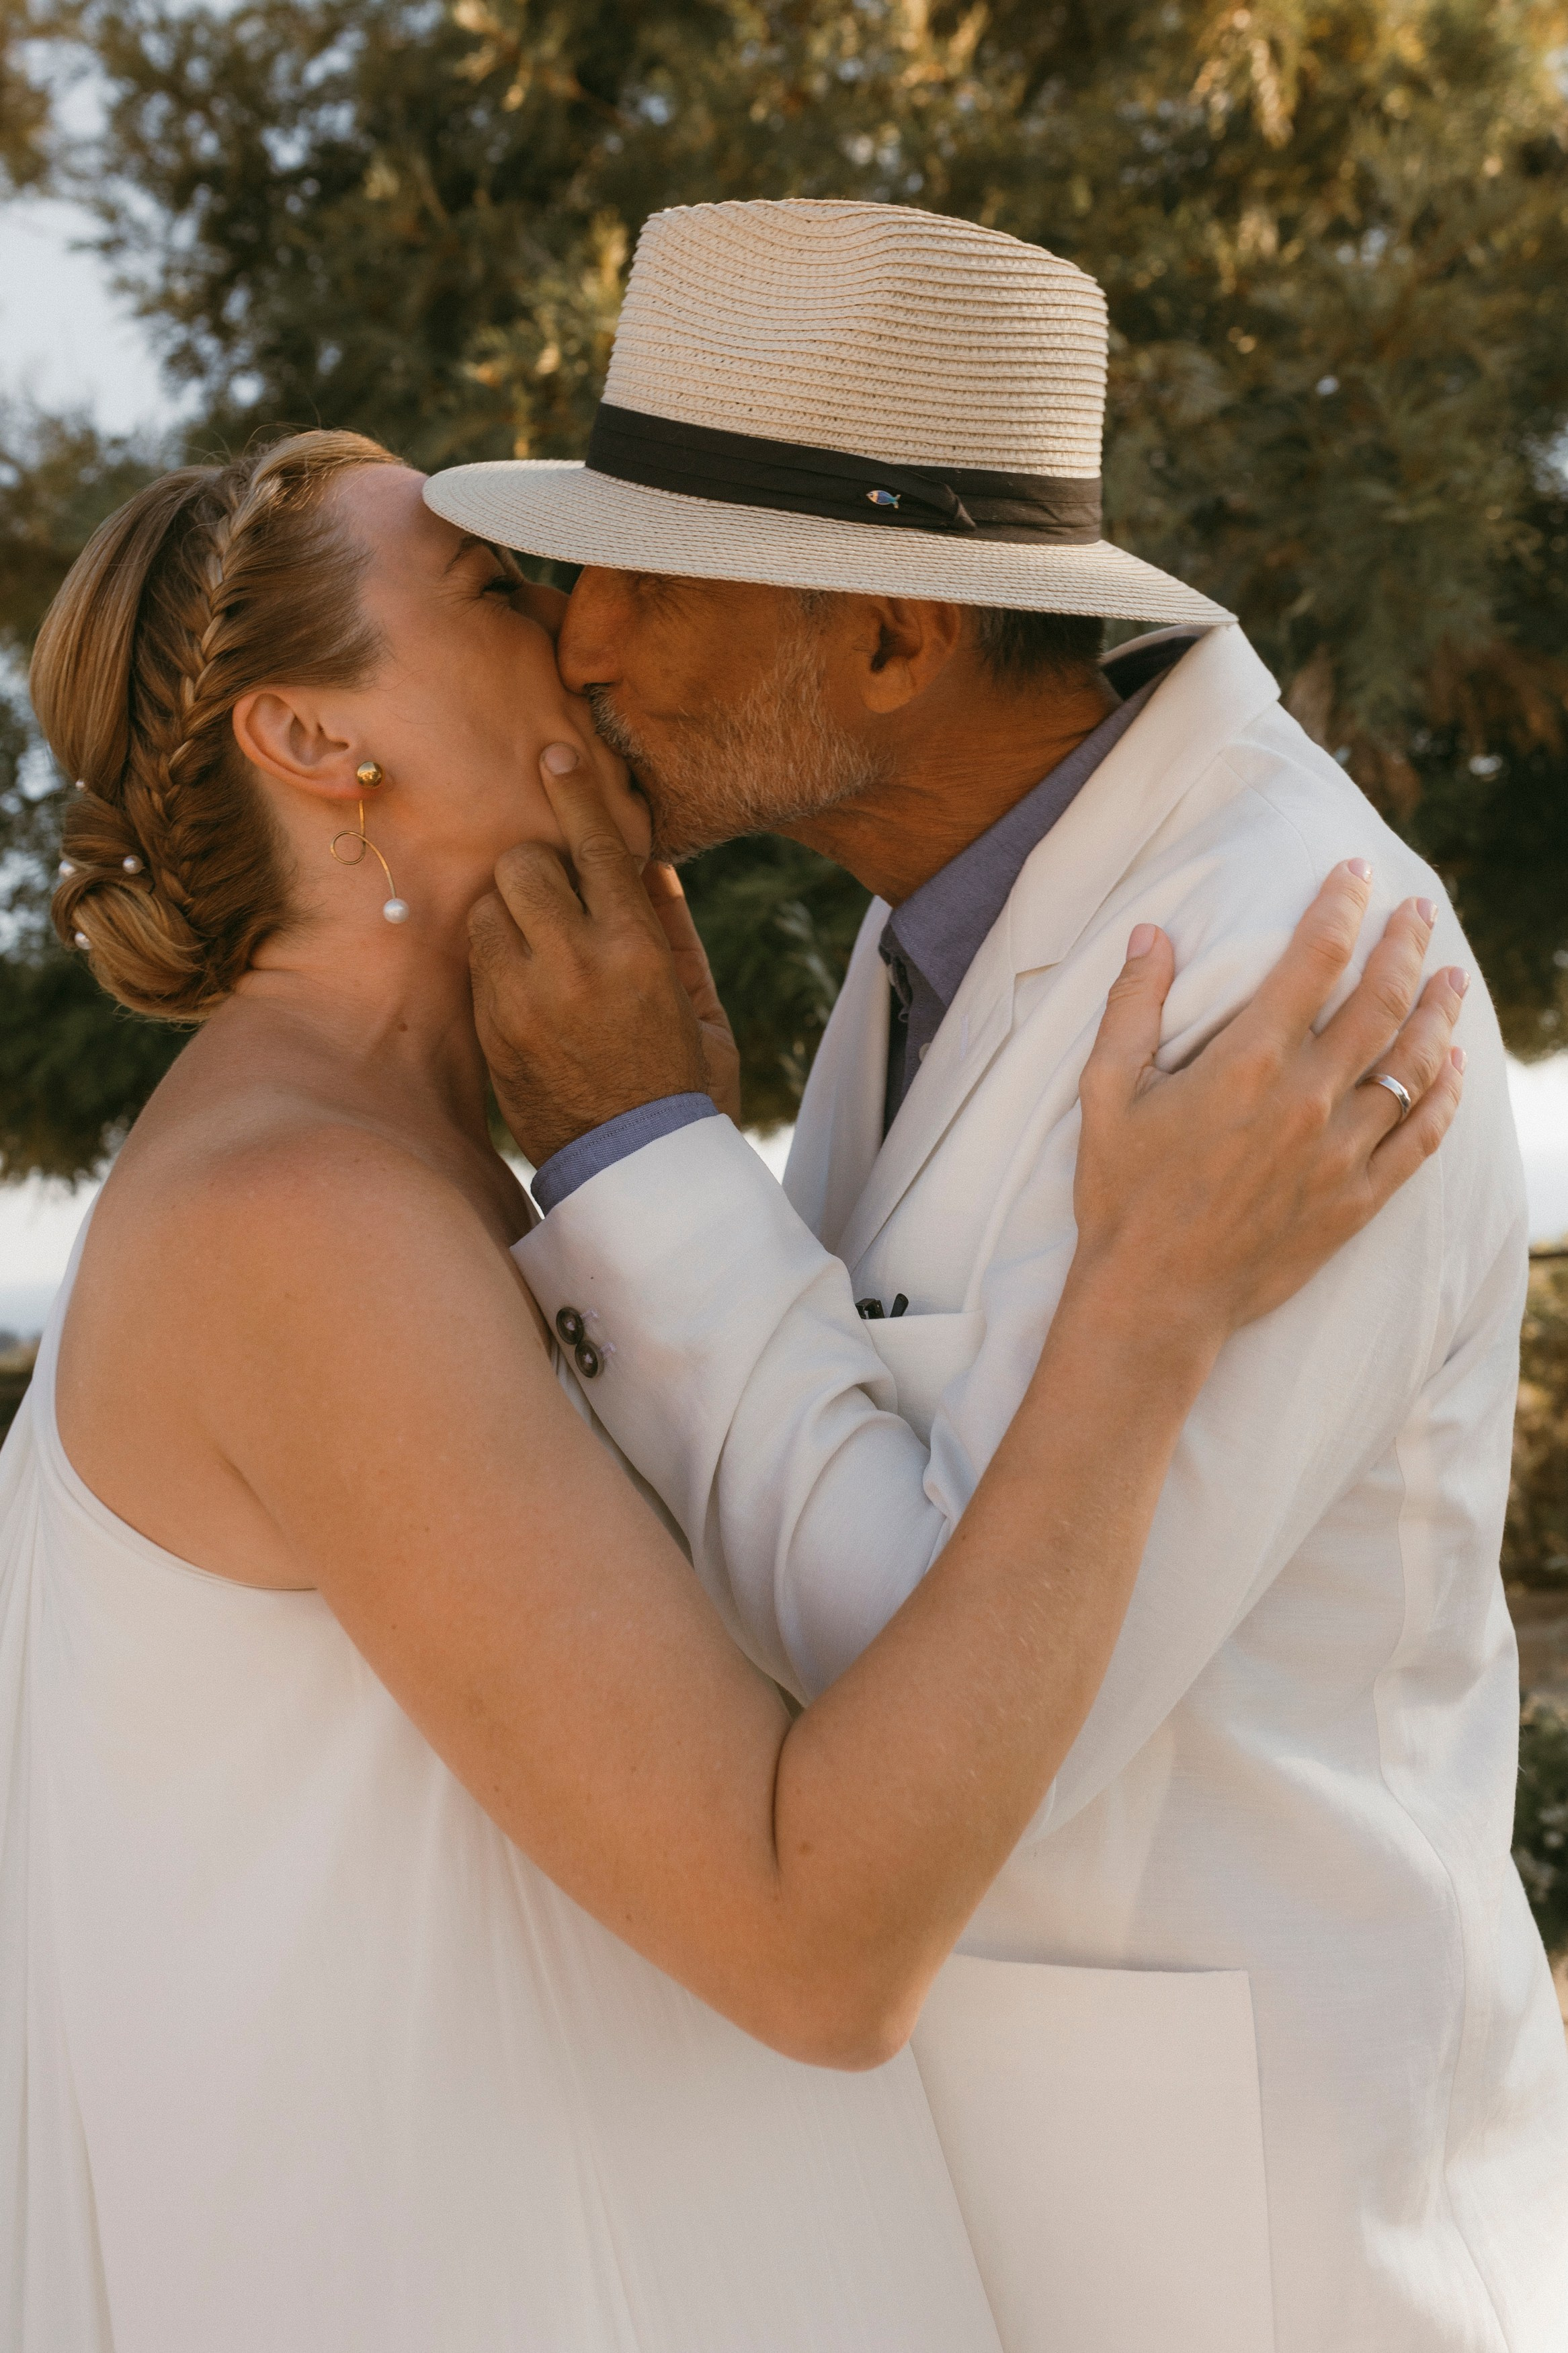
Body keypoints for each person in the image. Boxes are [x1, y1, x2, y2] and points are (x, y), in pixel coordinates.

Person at [0, 429, 1460, 2353]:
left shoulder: (428, 1173)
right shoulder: (300, 1222)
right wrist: (1143, 1313)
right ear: (313, 743)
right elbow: (817, 1940)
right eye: (501, 594)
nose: (588, 633)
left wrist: (657, 1148)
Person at [425, 198, 1568, 2352]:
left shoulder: (1282, 968)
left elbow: (950, 1705)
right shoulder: (937, 910)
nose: (579, 643)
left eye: (650, 574)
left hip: (1263, 2274)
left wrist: (638, 1148)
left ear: (889, 644)